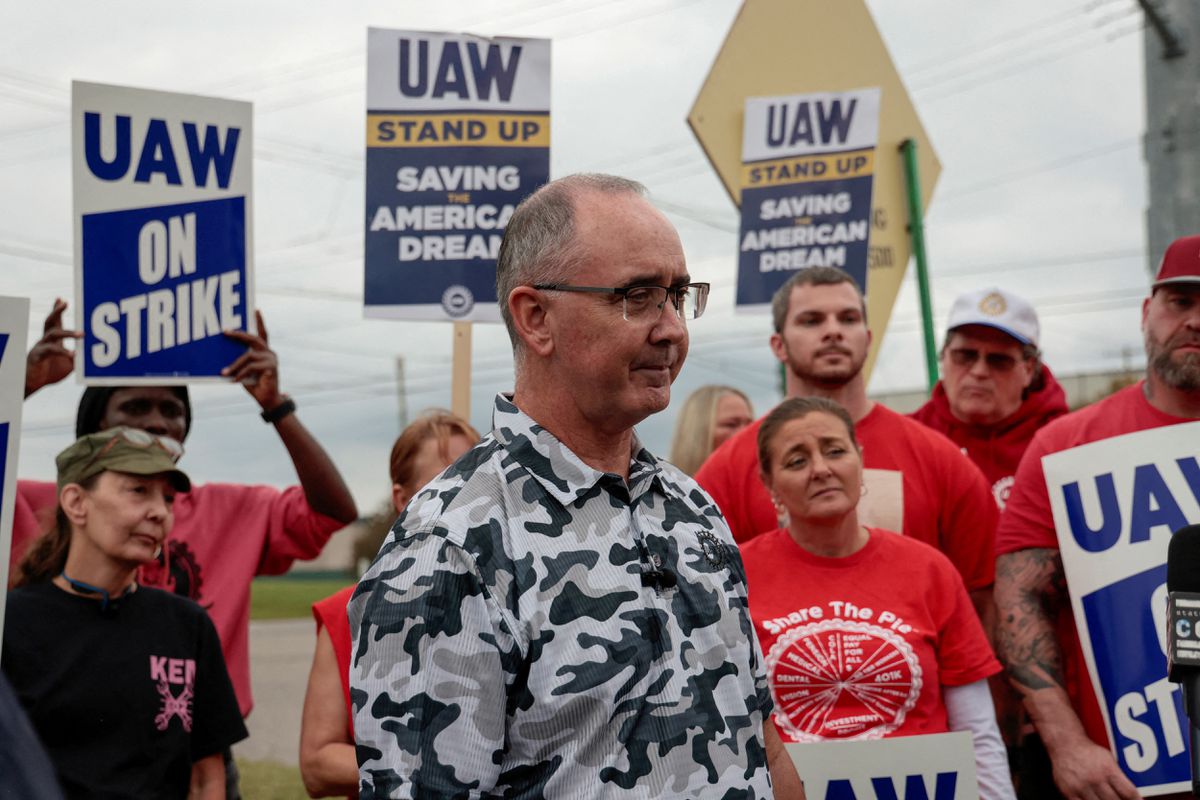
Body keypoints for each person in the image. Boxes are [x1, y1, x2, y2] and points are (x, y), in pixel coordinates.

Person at [350, 173, 804, 798]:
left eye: (678, 295)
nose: (672, 327)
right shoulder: (449, 549)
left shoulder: (692, 511)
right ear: (536, 318)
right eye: (638, 296)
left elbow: (762, 744)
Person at [12, 304, 358, 796]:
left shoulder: (227, 511)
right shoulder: (45, 504)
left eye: (171, 410)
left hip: (192, 743)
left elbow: (333, 512)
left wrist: (275, 405)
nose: (157, 422)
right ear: (76, 501)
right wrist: (19, 386)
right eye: (134, 408)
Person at [994, 236, 1200, 800]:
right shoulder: (1065, 446)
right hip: (1125, 777)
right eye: (1179, 302)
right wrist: (1066, 744)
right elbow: (1020, 599)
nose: (1195, 321)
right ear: (1146, 313)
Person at [744, 396, 1014, 799]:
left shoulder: (929, 570)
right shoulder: (734, 577)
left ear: (860, 459)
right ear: (770, 485)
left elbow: (977, 730)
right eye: (797, 461)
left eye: (835, 451)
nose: (821, 469)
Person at [695, 267, 998, 610]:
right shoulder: (728, 469)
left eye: (848, 318)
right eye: (812, 321)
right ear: (778, 345)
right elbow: (704, 598)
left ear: (868, 338)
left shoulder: (942, 461)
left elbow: (982, 601)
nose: (833, 332)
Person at [2, 427, 247, 798]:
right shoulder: (12, 622)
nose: (160, 513)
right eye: (138, 491)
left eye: (167, 499)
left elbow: (205, 776)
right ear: (76, 502)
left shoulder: (187, 624)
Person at [299, 410, 480, 799]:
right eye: (444, 484)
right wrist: (429, 767)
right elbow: (317, 764)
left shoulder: (515, 605)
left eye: (476, 484)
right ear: (402, 499)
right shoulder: (347, 612)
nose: (464, 501)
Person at [911, 287, 1068, 509]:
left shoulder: (1066, 444)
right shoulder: (908, 439)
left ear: (1029, 369)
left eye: (998, 360)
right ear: (944, 356)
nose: (979, 371)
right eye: (965, 356)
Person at [668, 384, 754, 475]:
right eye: (731, 425)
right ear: (698, 433)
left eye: (751, 425)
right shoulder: (660, 486)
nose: (746, 432)